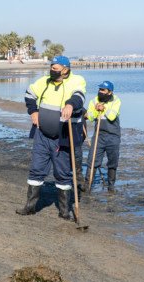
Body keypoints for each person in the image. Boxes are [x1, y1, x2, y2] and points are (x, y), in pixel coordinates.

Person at [15, 55, 87, 218]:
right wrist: (33, 111)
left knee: (62, 173)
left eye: (55, 68)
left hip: (63, 136)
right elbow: (29, 94)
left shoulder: (77, 80)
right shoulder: (44, 81)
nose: (51, 70)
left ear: (65, 69)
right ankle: (30, 206)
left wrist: (70, 104)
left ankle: (64, 211)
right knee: (36, 170)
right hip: (42, 135)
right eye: (51, 67)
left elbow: (79, 96)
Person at [83, 81, 122, 191]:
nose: (100, 92)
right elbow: (90, 117)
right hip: (99, 135)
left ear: (109, 92)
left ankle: (111, 186)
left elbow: (112, 116)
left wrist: (103, 108)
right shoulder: (94, 100)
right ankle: (87, 185)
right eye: (99, 89)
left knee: (113, 161)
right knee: (92, 160)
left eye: (103, 90)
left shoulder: (116, 100)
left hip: (113, 135)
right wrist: (91, 112)